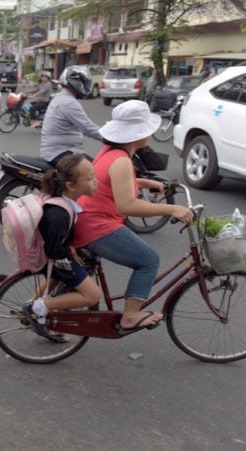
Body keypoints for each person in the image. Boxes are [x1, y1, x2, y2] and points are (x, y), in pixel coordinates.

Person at [72, 100, 194, 332]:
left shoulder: (109, 152)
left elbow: (109, 182)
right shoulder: (121, 161)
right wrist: (172, 209)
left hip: (87, 219)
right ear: (136, 135)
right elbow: (127, 205)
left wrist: (145, 182)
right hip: (98, 227)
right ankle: (130, 316)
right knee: (149, 261)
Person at [22, 153, 101, 341]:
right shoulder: (60, 214)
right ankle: (37, 308)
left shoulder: (60, 201)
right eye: (90, 179)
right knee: (92, 296)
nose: (96, 182)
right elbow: (53, 250)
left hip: (51, 254)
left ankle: (36, 305)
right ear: (71, 186)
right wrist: (70, 254)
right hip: (54, 257)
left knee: (61, 279)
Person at [40, 66, 102, 166]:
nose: (87, 86)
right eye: (84, 82)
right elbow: (88, 127)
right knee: (97, 169)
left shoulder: (63, 97)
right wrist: (108, 138)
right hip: (61, 152)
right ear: (76, 82)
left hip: (62, 150)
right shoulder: (68, 102)